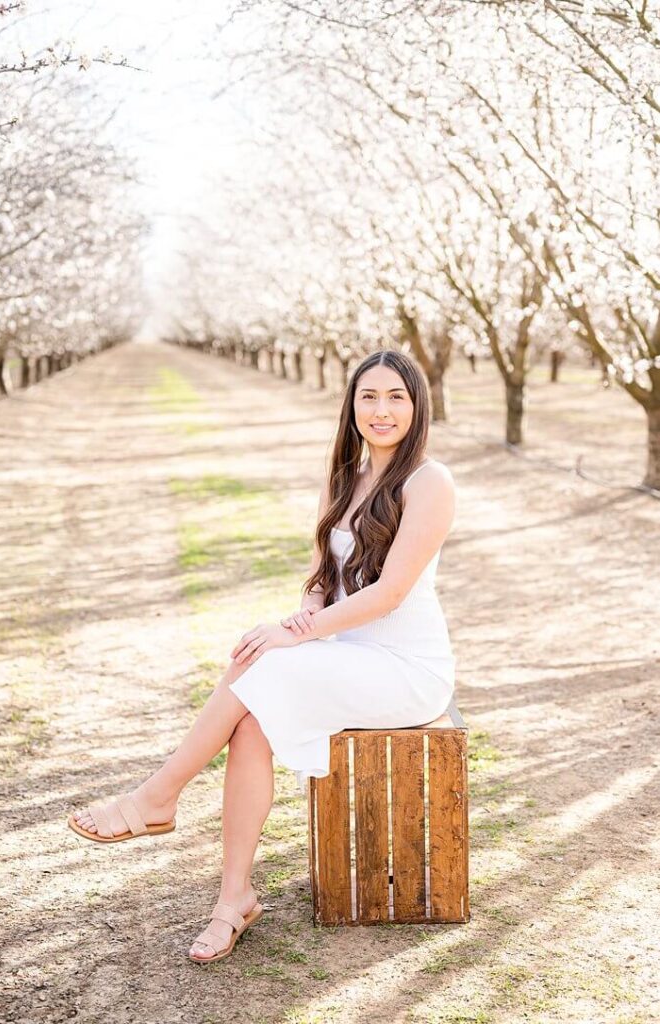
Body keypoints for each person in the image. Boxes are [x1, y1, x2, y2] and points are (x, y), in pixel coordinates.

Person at [67, 347, 457, 964]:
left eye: (396, 397)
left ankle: (157, 797)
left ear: (418, 405)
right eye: (368, 397)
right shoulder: (348, 478)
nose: (381, 410)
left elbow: (390, 593)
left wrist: (297, 637)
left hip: (406, 670)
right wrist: (292, 621)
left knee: (265, 663)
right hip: (349, 656)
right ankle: (234, 899)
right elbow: (322, 580)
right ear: (351, 405)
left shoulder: (429, 481)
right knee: (251, 712)